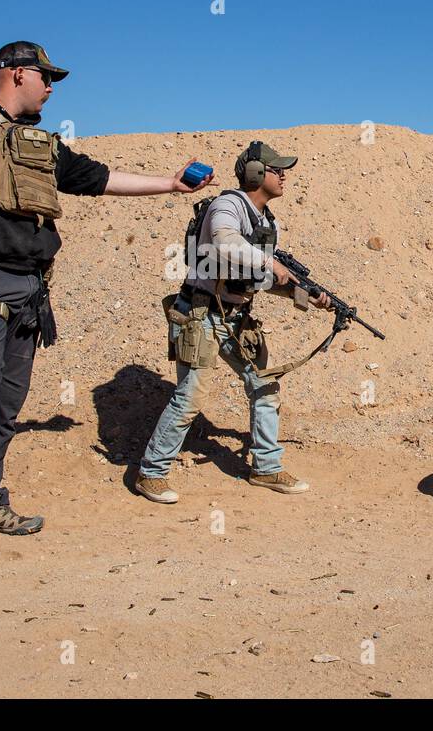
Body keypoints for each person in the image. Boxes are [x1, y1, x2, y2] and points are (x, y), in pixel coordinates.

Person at [0, 41, 213, 562]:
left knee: (5, 405)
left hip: (29, 290)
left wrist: (169, 184)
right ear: (16, 74)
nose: (51, 87)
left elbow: (98, 179)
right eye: (46, 77)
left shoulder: (40, 144)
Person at [135, 141, 331, 504]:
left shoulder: (267, 222)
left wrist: (308, 296)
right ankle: (151, 472)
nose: (284, 175)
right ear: (256, 174)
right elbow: (225, 245)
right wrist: (272, 264)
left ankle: (266, 467)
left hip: (236, 317)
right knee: (190, 396)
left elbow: (259, 279)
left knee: (264, 387)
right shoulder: (227, 206)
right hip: (201, 312)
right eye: (277, 169)